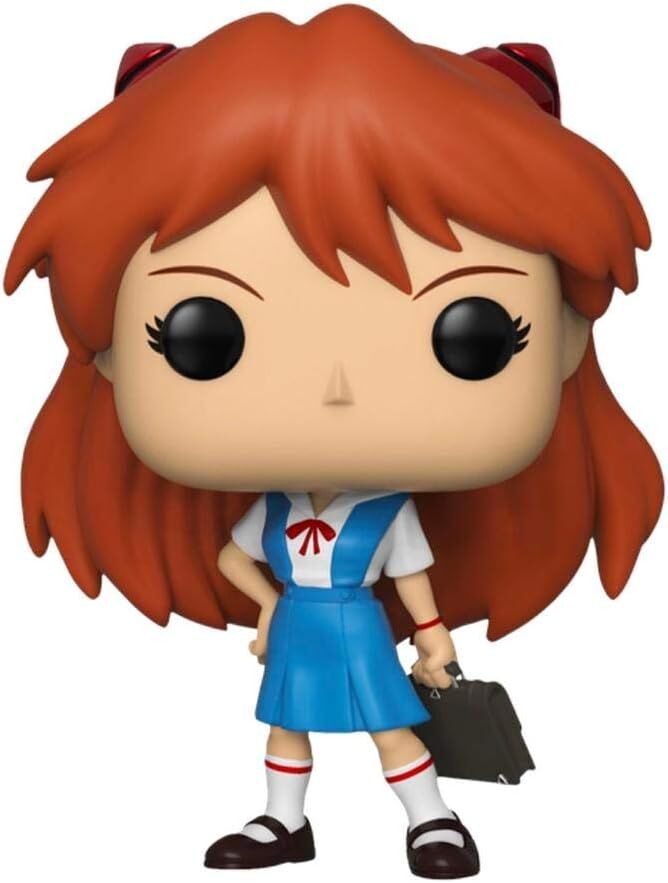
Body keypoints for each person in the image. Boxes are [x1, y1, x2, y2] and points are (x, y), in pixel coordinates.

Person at [5, 6, 662, 879]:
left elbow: (412, 576)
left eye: (472, 334)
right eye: (204, 336)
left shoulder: (386, 514)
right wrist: (266, 607)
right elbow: (236, 556)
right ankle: (283, 822)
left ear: (569, 336)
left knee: (393, 726)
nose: (338, 391)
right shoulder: (275, 510)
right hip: (301, 625)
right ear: (106, 347)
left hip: (358, 624)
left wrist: (431, 636)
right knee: (287, 727)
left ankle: (432, 819)